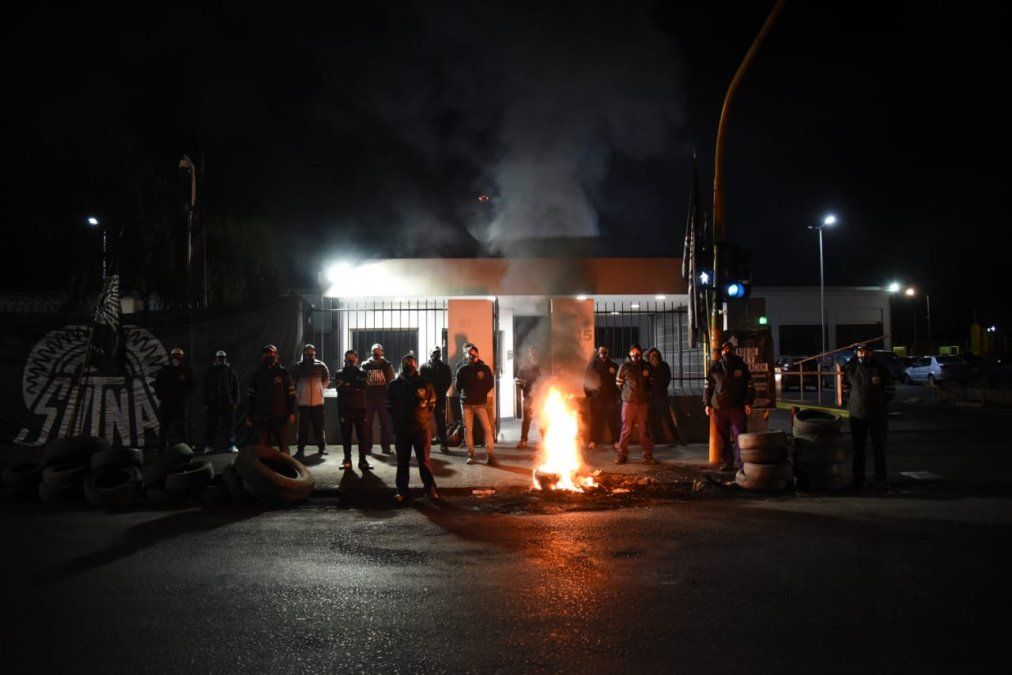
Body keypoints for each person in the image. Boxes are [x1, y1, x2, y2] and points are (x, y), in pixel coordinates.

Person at [387, 353, 439, 502]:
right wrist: (400, 419)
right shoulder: (394, 385)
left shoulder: (425, 383)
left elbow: (431, 405)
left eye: (412, 362)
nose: (409, 365)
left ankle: (430, 488)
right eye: (406, 362)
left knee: (424, 460)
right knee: (402, 461)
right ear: (401, 365)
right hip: (402, 430)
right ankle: (402, 491)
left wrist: (421, 418)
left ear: (416, 364)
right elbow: (389, 407)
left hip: (421, 429)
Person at [844, 343, 895, 488]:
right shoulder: (851, 369)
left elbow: (890, 391)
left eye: (866, 352)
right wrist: (854, 403)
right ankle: (858, 477)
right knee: (858, 447)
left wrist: (879, 404)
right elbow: (846, 389)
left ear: (871, 353)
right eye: (861, 352)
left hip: (878, 416)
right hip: (857, 415)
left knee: (878, 447)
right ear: (857, 353)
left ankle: (880, 476)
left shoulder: (881, 370)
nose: (864, 355)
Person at [704, 341, 754, 472]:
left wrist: (748, 402)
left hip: (737, 407)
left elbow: (749, 385)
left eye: (729, 349)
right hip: (719, 407)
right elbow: (708, 387)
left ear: (733, 350)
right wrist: (707, 404)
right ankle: (728, 462)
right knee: (723, 437)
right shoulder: (715, 366)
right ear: (721, 351)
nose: (727, 351)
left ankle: (742, 464)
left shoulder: (741, 365)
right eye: (724, 349)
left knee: (740, 437)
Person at [246, 344, 297, 454]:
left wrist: (292, 411)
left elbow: (291, 393)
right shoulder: (257, 374)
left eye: (271, 353)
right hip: (262, 417)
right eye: (266, 353)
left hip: (280, 416)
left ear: (276, 355)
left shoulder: (283, 372)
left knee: (283, 446)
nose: (268, 355)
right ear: (263, 356)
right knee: (263, 447)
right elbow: (251, 396)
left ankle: (287, 468)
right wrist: (249, 415)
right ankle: (266, 469)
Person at [455, 343, 498, 465]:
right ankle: (471, 454)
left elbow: (490, 383)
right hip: (467, 404)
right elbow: (458, 386)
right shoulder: (462, 369)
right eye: (469, 353)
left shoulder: (484, 368)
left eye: (474, 353)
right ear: (466, 355)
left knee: (488, 429)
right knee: (468, 429)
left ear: (477, 354)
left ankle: (490, 455)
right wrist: (466, 395)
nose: (472, 355)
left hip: (480, 404)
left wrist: (481, 394)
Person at [615, 344, 655, 464]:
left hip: (642, 402)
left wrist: (646, 394)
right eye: (633, 352)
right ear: (629, 353)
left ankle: (647, 455)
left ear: (641, 353)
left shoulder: (646, 366)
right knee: (626, 428)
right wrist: (628, 394)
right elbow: (619, 383)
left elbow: (652, 383)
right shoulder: (624, 366)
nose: (635, 354)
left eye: (637, 352)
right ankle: (622, 454)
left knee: (644, 429)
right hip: (629, 402)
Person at [334, 350, 371, 471]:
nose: (350, 360)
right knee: (346, 437)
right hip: (345, 410)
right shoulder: (339, 373)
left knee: (363, 437)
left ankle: (363, 460)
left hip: (361, 410)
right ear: (344, 359)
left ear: (357, 359)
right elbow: (340, 389)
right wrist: (356, 386)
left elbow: (365, 386)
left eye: (352, 357)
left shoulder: (362, 372)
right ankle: (347, 460)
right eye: (348, 357)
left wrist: (348, 385)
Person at [292, 343, 330, 458]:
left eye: (311, 352)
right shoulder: (298, 366)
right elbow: (292, 383)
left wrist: (319, 390)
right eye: (307, 352)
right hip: (303, 402)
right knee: (303, 428)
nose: (309, 354)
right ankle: (300, 449)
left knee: (319, 427)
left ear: (314, 352)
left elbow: (326, 380)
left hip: (318, 402)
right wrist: (300, 393)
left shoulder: (321, 365)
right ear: (304, 353)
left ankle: (322, 448)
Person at [155, 346, 194, 449]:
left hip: (180, 404)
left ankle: (186, 449)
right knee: (163, 427)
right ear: (171, 356)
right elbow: (157, 384)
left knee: (182, 427)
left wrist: (185, 397)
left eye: (179, 356)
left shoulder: (187, 370)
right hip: (166, 403)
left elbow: (192, 385)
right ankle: (161, 449)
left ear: (182, 357)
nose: (177, 357)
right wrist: (161, 396)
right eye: (175, 355)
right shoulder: (165, 370)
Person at [203, 349, 239, 454]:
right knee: (210, 425)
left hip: (227, 403)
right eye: (219, 358)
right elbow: (205, 388)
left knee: (230, 425)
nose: (221, 360)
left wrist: (235, 401)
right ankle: (208, 446)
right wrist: (205, 402)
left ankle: (231, 445)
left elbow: (236, 388)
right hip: (213, 403)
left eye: (223, 358)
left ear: (225, 359)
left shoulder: (231, 372)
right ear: (216, 359)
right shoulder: (210, 372)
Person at [362, 343, 396, 454]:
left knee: (385, 425)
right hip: (369, 399)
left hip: (383, 399)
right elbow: (361, 381)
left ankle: (385, 447)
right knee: (367, 425)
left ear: (382, 352)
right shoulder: (365, 365)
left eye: (378, 351)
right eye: (375, 351)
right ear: (371, 352)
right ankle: (367, 448)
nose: (376, 352)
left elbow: (392, 381)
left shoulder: (387, 365)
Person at [585, 345, 620, 449]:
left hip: (610, 398)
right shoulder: (593, 365)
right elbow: (587, 380)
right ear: (598, 353)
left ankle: (616, 440)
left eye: (605, 352)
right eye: (601, 352)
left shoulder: (613, 365)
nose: (603, 354)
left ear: (608, 353)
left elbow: (618, 381)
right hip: (597, 398)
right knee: (595, 420)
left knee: (612, 420)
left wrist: (616, 395)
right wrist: (589, 395)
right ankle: (593, 440)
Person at [420, 346, 453, 453]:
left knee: (441, 421)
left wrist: (441, 392)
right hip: (427, 398)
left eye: (438, 353)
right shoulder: (424, 367)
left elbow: (448, 381)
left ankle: (443, 443)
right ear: (430, 353)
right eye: (434, 353)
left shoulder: (444, 367)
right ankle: (424, 443)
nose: (436, 355)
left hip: (440, 398)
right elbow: (420, 381)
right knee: (424, 421)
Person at [646, 347, 681, 446]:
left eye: (655, 355)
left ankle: (676, 437)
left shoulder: (664, 365)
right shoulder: (647, 366)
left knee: (667, 417)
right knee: (653, 418)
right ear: (648, 356)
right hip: (651, 396)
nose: (653, 357)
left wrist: (657, 381)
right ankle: (656, 439)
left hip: (662, 396)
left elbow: (666, 379)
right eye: (651, 355)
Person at [515, 346, 542, 449]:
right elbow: (519, 382)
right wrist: (524, 387)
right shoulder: (524, 368)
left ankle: (546, 440)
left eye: (534, 353)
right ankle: (523, 440)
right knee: (526, 419)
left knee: (541, 418)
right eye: (530, 353)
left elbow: (546, 380)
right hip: (528, 397)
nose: (532, 355)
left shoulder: (541, 367)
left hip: (540, 398)